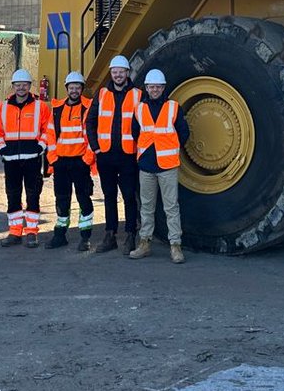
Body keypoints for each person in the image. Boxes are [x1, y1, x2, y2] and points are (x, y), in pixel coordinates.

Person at [129, 69, 190, 264]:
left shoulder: (173, 107)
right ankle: (144, 243)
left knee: (171, 207)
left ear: (163, 88)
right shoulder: (139, 109)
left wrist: (168, 147)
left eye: (157, 86)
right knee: (146, 207)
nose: (154, 89)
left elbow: (183, 132)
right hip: (147, 165)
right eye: (151, 87)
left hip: (167, 165)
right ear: (146, 88)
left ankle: (175, 246)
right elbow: (135, 132)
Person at [85, 54, 142, 255]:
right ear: (112, 73)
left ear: (127, 73)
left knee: (129, 196)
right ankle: (110, 235)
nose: (118, 75)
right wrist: (96, 148)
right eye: (115, 72)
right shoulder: (101, 95)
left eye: (121, 72)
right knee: (109, 195)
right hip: (106, 156)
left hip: (128, 156)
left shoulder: (137, 95)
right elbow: (90, 122)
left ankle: (130, 236)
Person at [0, 68, 50, 249]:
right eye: (18, 85)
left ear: (29, 86)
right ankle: (15, 231)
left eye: (24, 85)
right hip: (11, 160)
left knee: (33, 195)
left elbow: (48, 130)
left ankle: (32, 232)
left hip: (32, 159)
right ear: (13, 86)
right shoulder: (2, 108)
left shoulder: (40, 107)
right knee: (13, 195)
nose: (21, 88)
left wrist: (40, 147)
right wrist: (3, 151)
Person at [45, 71, 98, 251]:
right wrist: (53, 159)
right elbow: (50, 135)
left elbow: (92, 136)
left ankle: (85, 237)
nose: (74, 90)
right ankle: (60, 235)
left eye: (77, 87)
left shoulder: (88, 107)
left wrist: (87, 160)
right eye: (71, 87)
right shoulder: (57, 109)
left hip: (80, 162)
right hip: (61, 163)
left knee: (84, 199)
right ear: (67, 89)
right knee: (61, 199)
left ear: (81, 89)